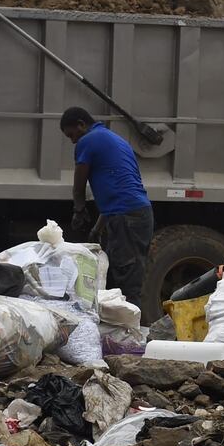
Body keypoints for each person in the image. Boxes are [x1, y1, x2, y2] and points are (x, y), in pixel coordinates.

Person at [60, 107, 154, 308]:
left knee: (126, 278)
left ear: (81, 125)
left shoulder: (87, 141)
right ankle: (126, 327)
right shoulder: (114, 139)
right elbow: (116, 195)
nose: (73, 141)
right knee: (126, 275)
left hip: (127, 217)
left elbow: (79, 185)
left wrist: (79, 209)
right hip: (138, 214)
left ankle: (130, 332)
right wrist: (97, 229)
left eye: (72, 135)